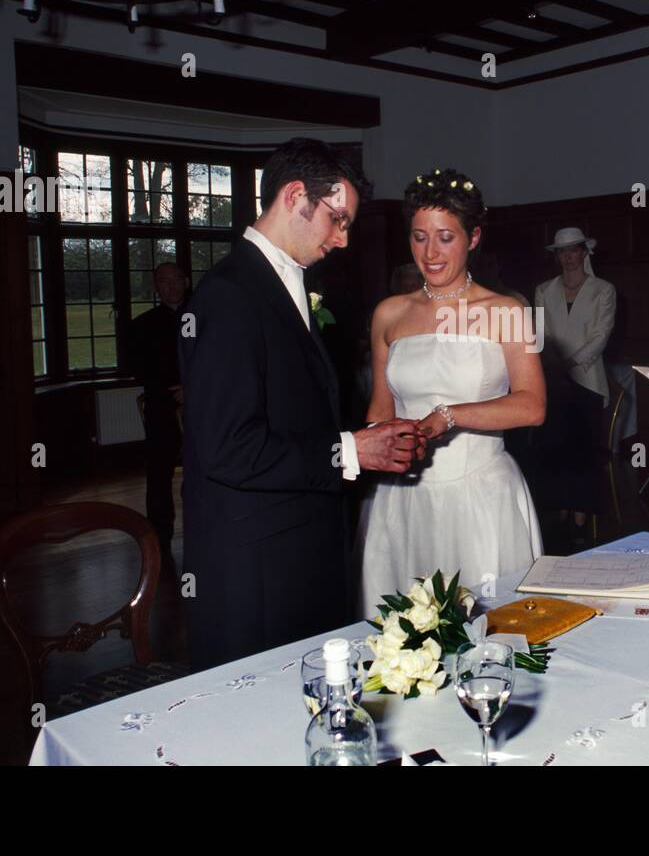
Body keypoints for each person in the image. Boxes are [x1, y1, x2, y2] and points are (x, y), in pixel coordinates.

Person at [180, 138, 426, 671]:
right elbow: (227, 449)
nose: (342, 240)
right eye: (337, 220)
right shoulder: (228, 294)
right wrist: (350, 450)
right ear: (296, 197)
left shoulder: (284, 282)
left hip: (298, 548)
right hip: (256, 567)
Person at [356, 167, 546, 613]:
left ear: (473, 238)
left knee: (487, 632)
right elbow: (380, 408)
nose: (430, 251)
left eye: (445, 237)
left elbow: (533, 406)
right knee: (402, 638)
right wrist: (379, 445)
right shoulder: (389, 313)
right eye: (419, 237)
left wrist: (449, 415)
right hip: (403, 496)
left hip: (480, 495)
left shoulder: (507, 310)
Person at [532, 227, 617, 533]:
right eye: (562, 251)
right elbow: (540, 333)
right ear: (557, 256)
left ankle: (582, 518)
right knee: (554, 449)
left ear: (584, 253)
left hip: (587, 382)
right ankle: (559, 514)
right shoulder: (544, 290)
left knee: (583, 452)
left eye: (573, 250)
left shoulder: (603, 290)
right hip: (552, 383)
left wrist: (569, 362)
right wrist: (552, 366)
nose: (568, 257)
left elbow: (600, 335)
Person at [128, 262, 187, 556]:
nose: (170, 286)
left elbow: (221, 361)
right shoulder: (143, 325)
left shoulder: (207, 318)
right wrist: (173, 389)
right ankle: (159, 538)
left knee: (204, 468)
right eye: (163, 282)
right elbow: (139, 370)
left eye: (175, 280)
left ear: (185, 281)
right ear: (156, 287)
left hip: (203, 404)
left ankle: (204, 528)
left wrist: (192, 387)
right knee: (159, 473)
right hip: (162, 406)